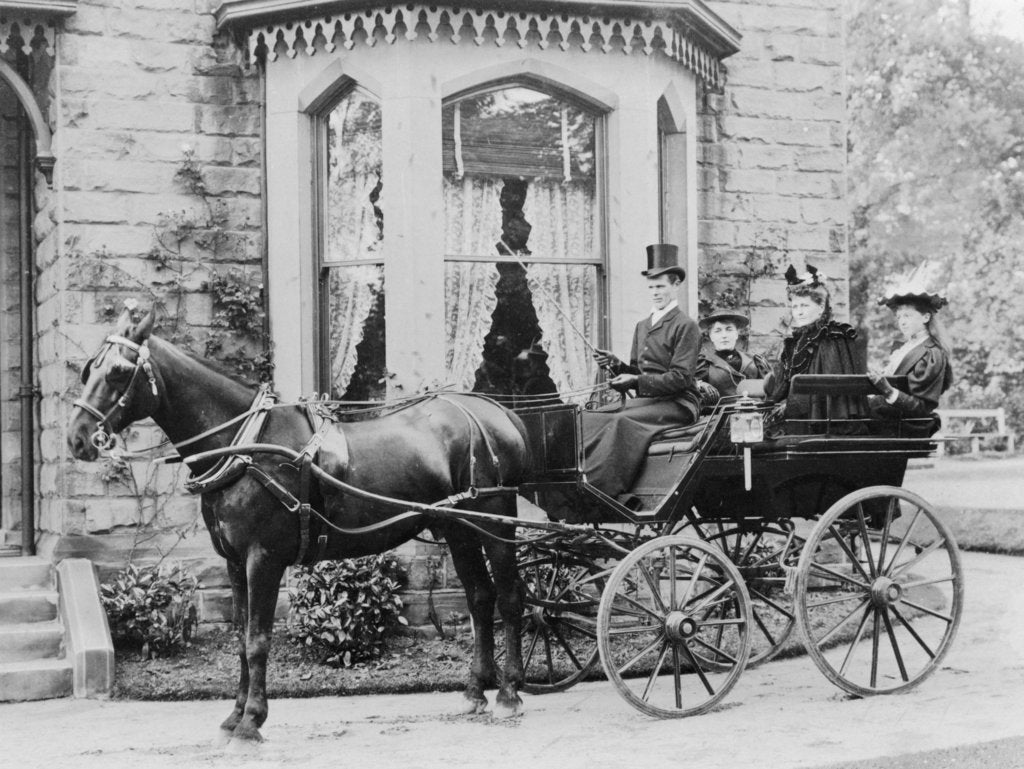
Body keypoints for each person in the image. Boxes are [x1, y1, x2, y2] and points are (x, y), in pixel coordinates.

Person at [583, 244, 702, 498]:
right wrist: (616, 365)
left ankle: (603, 491)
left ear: (676, 284)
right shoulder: (642, 326)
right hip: (650, 401)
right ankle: (580, 482)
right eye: (651, 287)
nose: (655, 292)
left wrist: (635, 379)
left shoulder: (686, 326)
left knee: (619, 421)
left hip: (678, 403)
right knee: (591, 417)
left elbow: (681, 378)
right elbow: (637, 372)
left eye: (660, 286)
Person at [764, 264, 867, 434]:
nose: (799, 312)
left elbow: (829, 390)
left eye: (804, 306)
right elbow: (785, 385)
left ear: (820, 308)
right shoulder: (796, 341)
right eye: (795, 307)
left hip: (820, 420)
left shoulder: (831, 337)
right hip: (797, 413)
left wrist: (788, 406)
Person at [866, 267, 953, 436]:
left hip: (906, 424)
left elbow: (921, 407)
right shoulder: (905, 348)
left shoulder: (931, 353)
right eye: (899, 317)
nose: (902, 322)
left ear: (926, 318)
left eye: (907, 316)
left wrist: (887, 390)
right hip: (888, 417)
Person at [696, 310, 772, 401]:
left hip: (754, 413)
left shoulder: (754, 361)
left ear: (736, 334)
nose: (724, 335)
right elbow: (688, 387)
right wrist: (700, 384)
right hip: (720, 413)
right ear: (711, 336)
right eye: (718, 331)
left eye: (729, 329)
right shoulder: (705, 363)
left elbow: (770, 392)